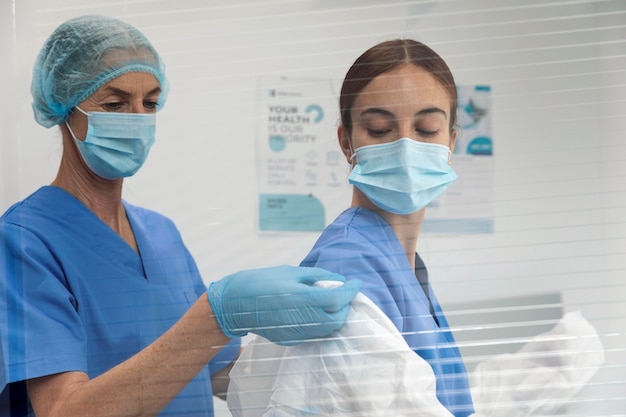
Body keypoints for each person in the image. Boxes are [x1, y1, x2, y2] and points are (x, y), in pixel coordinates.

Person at [0, 15, 361, 417]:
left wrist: (323, 360)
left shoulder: (161, 233)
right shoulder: (24, 242)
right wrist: (218, 315)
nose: (137, 118)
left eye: (150, 102)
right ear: (65, 106)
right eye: (115, 103)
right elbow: (63, 410)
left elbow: (217, 370)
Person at [299, 39, 475, 417]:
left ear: (451, 142)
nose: (406, 147)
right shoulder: (348, 267)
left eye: (427, 129)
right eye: (379, 129)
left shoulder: (404, 265)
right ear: (347, 142)